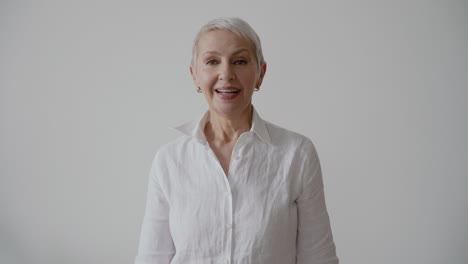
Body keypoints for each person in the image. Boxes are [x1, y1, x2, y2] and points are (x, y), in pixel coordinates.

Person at [135, 17, 338, 264]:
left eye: (240, 61)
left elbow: (319, 258)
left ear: (260, 73)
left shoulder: (297, 154)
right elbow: (152, 259)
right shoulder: (168, 161)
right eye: (212, 61)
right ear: (195, 75)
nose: (226, 74)